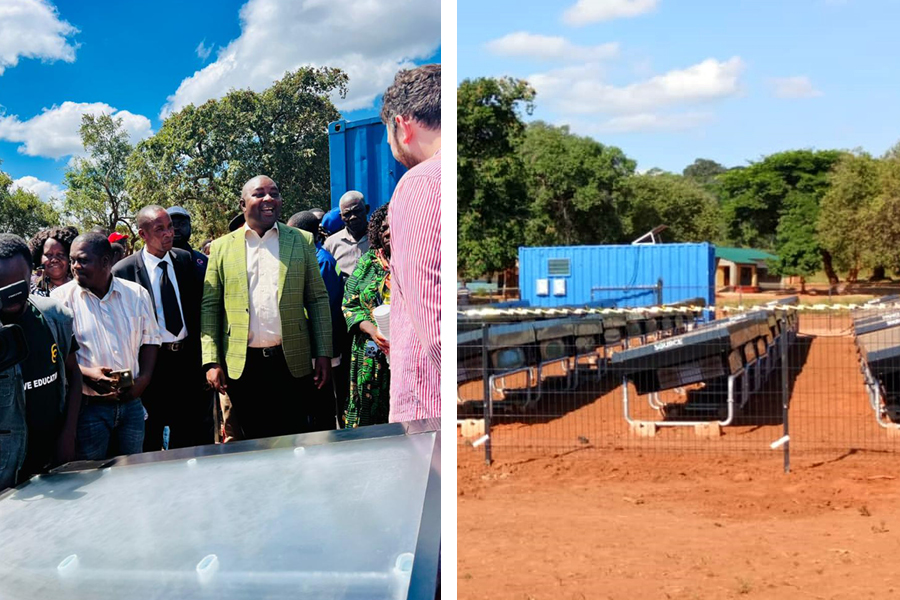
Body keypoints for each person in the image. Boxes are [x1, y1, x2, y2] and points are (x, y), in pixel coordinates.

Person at [201, 175, 334, 440]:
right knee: (253, 441)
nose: (269, 199)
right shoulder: (221, 248)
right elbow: (211, 306)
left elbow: (317, 299)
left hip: (291, 362)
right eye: (259, 194)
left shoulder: (301, 240)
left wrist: (323, 352)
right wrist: (212, 360)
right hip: (243, 366)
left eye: (274, 192)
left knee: (295, 437)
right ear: (242, 204)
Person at [51, 233, 160, 460]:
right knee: (92, 477)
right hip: (88, 408)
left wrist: (145, 379)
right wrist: (88, 375)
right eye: (72, 260)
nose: (74, 266)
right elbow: (56, 357)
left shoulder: (136, 294)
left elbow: (150, 340)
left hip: (131, 405)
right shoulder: (59, 301)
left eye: (82, 260)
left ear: (105, 261)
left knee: (132, 472)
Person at [112, 206, 210, 451]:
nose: (169, 233)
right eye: (160, 229)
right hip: (151, 367)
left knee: (190, 435)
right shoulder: (123, 272)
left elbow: (197, 311)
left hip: (187, 362)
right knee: (151, 438)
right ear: (142, 234)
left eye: (170, 227)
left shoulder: (185, 260)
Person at [381, 63, 441, 422]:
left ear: (402, 126)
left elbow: (433, 319)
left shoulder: (420, 182)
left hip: (428, 407)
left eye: (387, 135)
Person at [0, 234, 81, 490]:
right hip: (6, 463)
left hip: (52, 454)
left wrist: (68, 434)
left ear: (32, 274)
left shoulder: (55, 316)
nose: (11, 299)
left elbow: (74, 375)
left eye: (18, 288)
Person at [289, 210, 346, 427]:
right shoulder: (312, 258)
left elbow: (319, 307)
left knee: (322, 405)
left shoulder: (320, 262)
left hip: (320, 347)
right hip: (312, 346)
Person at [342, 205, 392, 427]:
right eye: (383, 228)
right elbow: (349, 303)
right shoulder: (368, 264)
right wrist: (371, 330)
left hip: (407, 354)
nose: (388, 233)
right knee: (366, 414)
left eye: (393, 226)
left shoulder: (415, 262)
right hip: (370, 352)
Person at [324, 191, 370, 279]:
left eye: (357, 211)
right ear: (341, 217)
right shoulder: (331, 243)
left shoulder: (380, 238)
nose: (353, 217)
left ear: (367, 209)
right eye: (347, 214)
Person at [28, 226, 78, 297]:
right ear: (39, 258)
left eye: (60, 254)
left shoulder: (79, 287)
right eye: (48, 255)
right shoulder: (31, 290)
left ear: (69, 258)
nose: (54, 260)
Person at [167, 206, 209, 277]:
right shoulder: (157, 261)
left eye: (182, 224)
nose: (176, 228)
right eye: (172, 225)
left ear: (190, 227)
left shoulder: (202, 260)